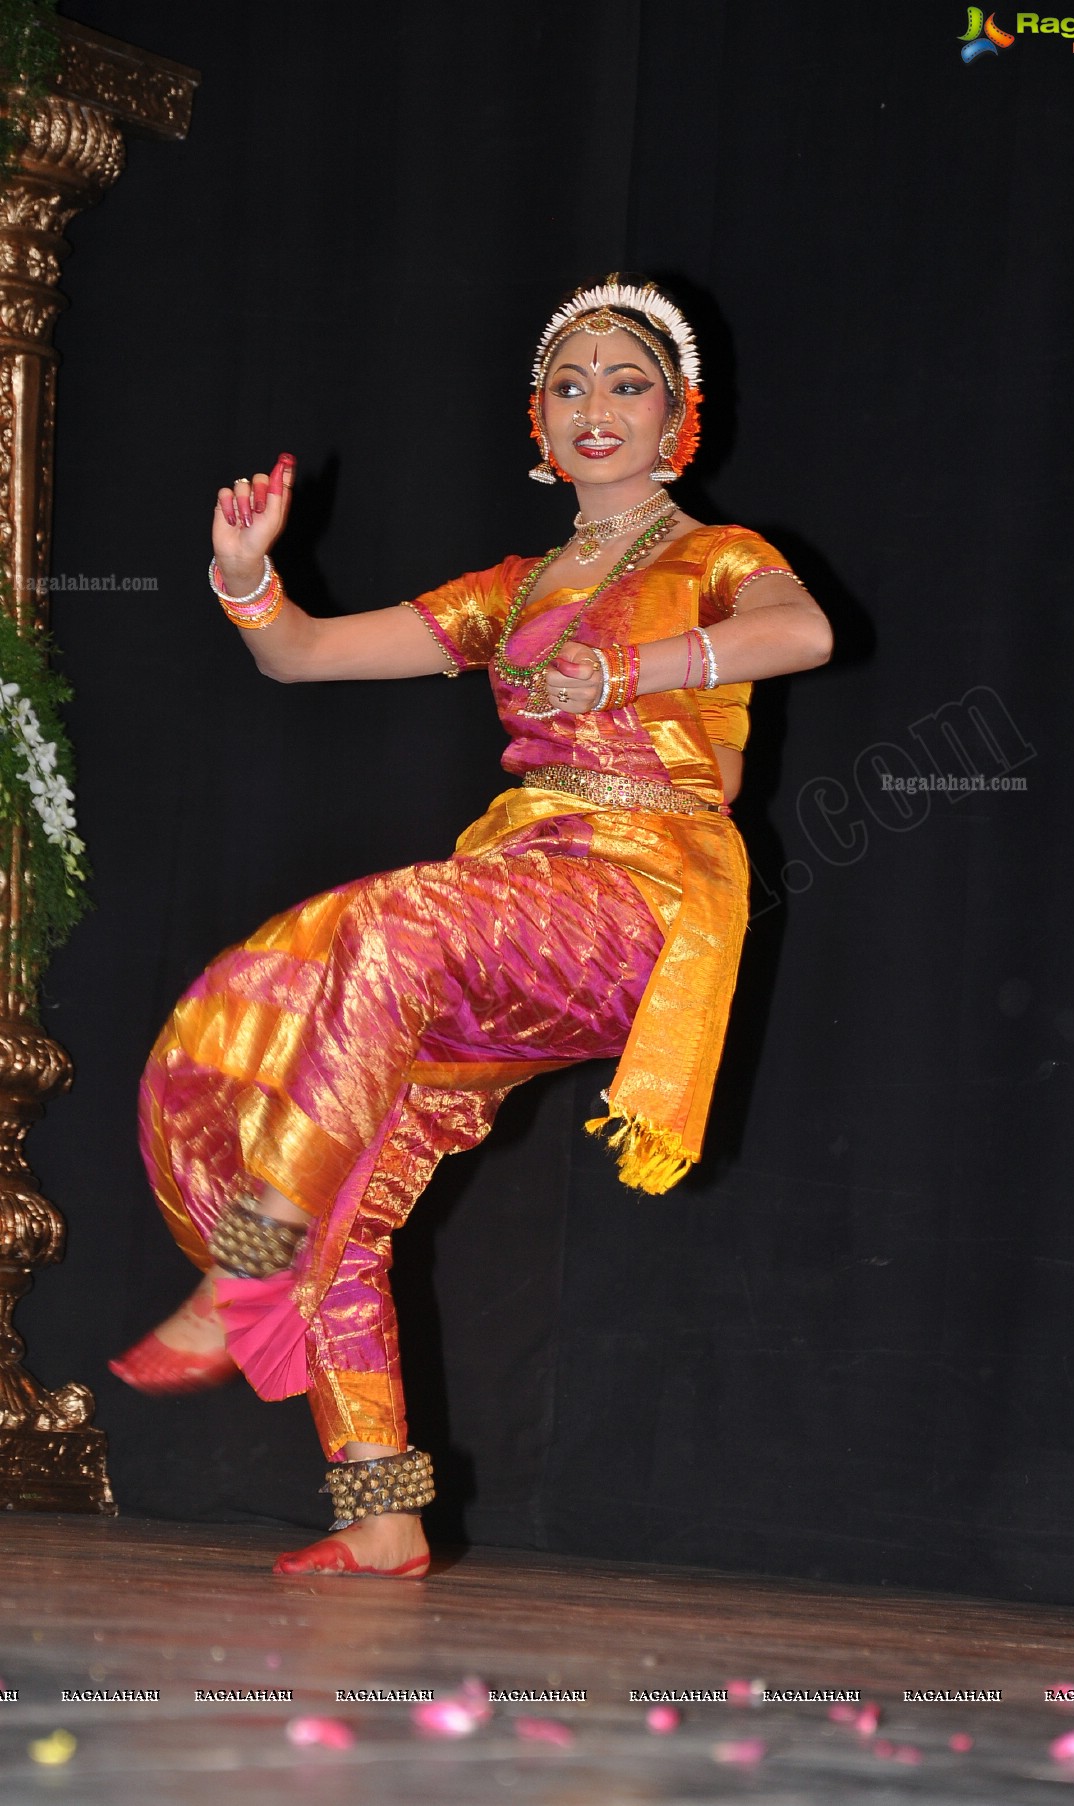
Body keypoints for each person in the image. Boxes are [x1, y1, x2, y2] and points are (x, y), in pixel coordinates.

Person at [110, 277, 833, 1577]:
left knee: (387, 926)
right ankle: (379, 1506)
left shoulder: (716, 560)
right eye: (571, 383)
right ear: (538, 422)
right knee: (355, 1142)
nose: (596, 405)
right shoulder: (513, 588)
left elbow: (804, 630)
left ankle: (245, 1269)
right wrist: (243, 573)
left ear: (680, 416)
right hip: (517, 893)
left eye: (628, 382)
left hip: (642, 888)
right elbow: (306, 655)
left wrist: (625, 671)